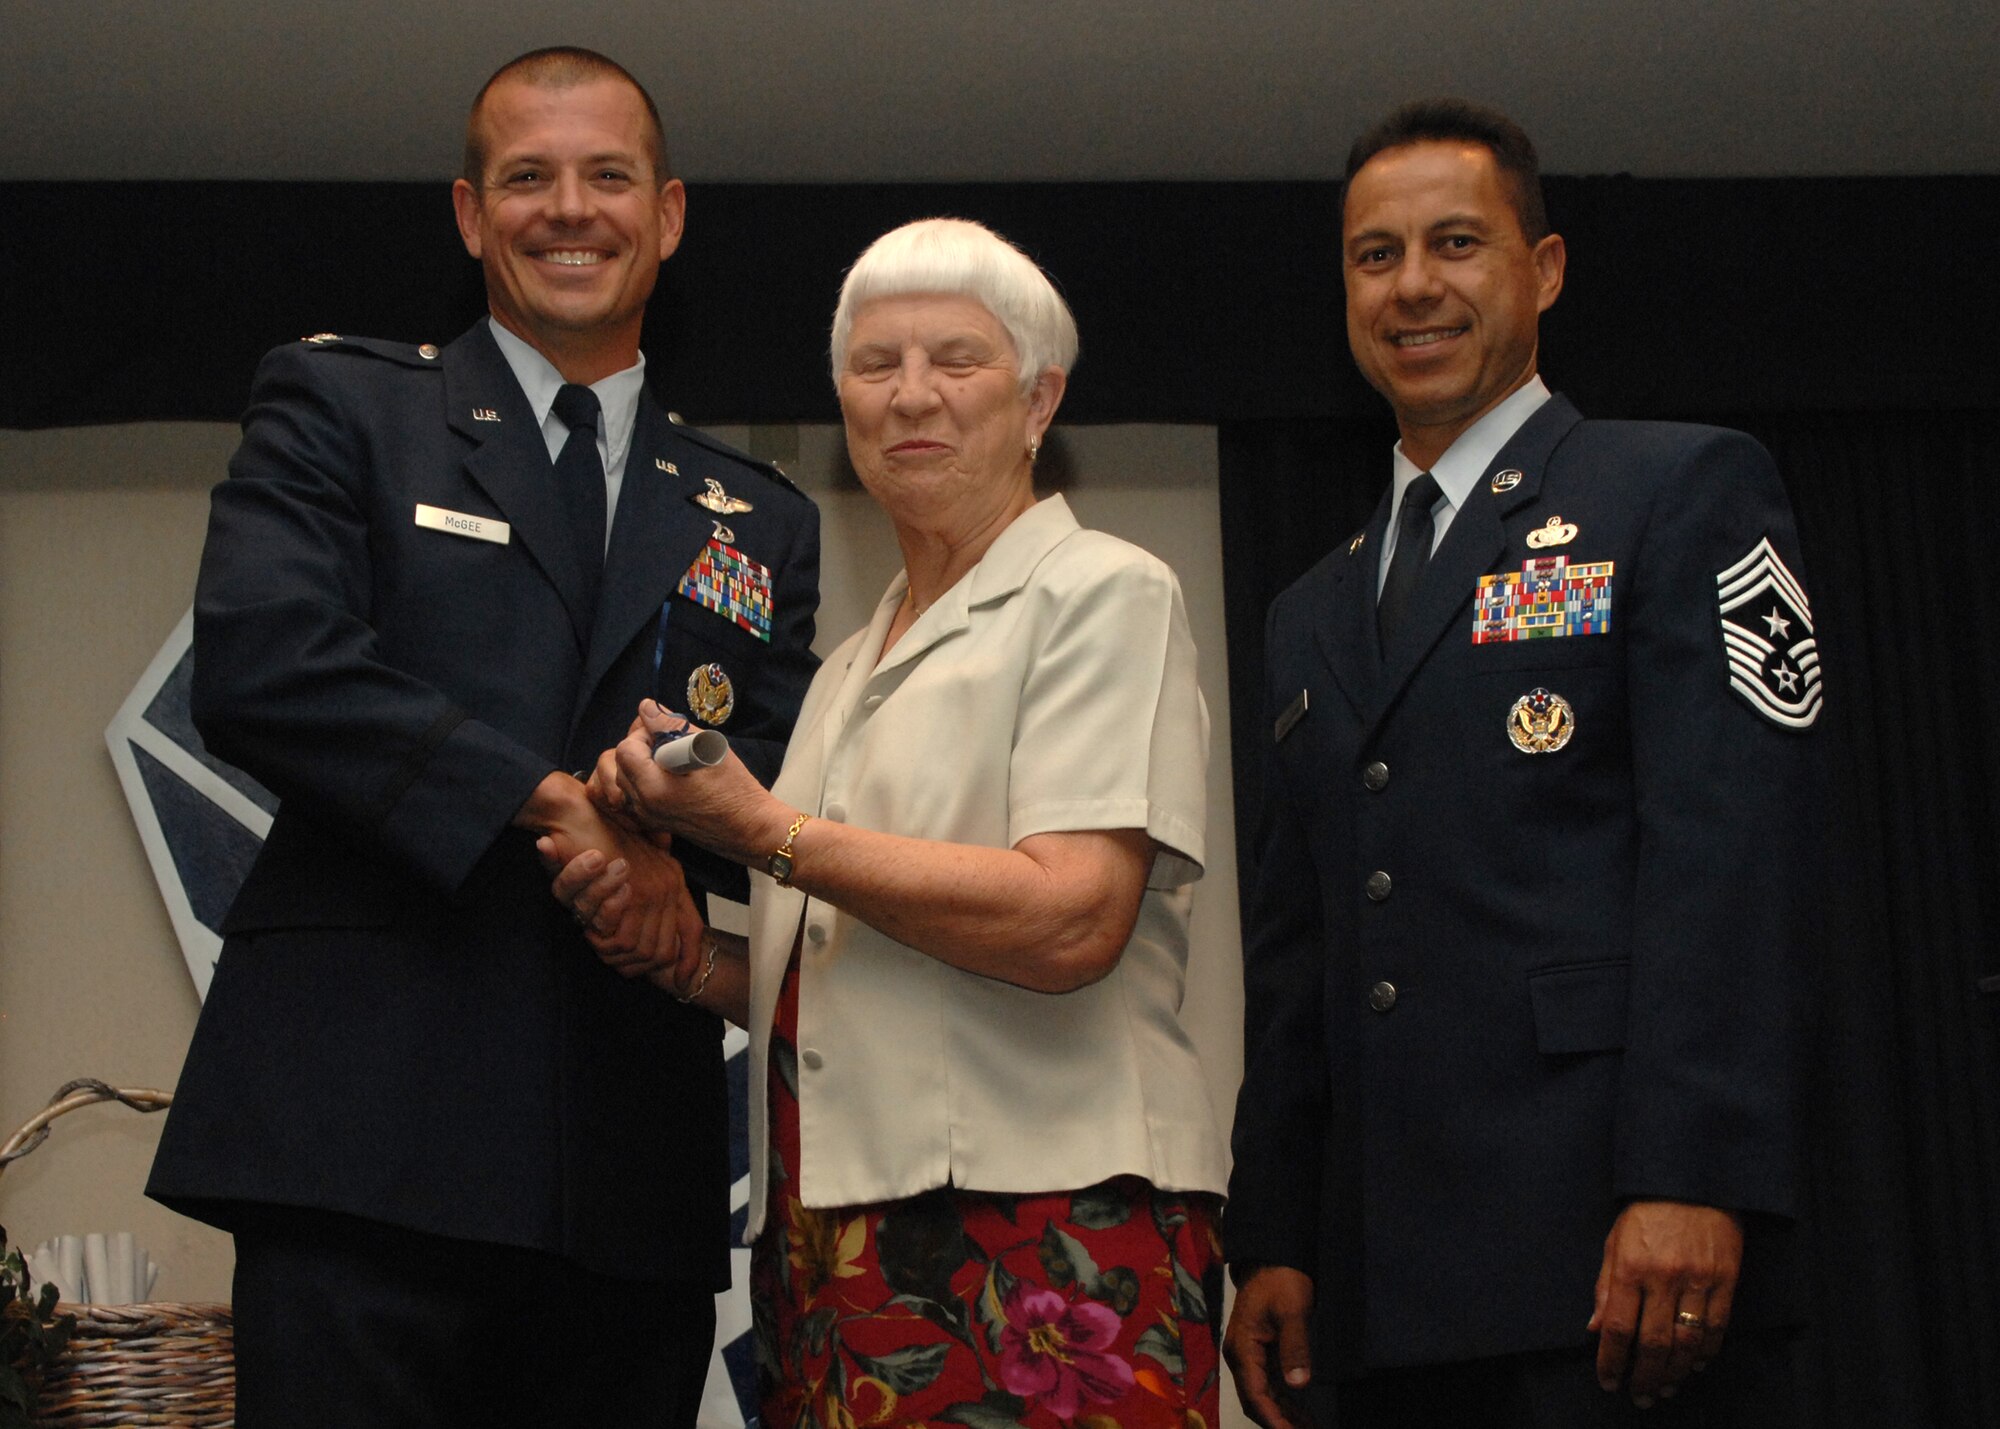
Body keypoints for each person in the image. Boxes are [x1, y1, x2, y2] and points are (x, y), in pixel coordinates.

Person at [145, 47, 820, 1428]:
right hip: (360, 1145)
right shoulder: (346, 406)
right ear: (470, 214)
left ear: (670, 214)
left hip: (626, 1177)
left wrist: (670, 825)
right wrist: (546, 799)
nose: (569, 209)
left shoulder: (759, 518)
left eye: (607, 177)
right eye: (529, 178)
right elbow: (270, 664)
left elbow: (775, 784)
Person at [555, 217, 1229, 1429]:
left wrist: (760, 827)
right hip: (828, 1239)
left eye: (955, 360)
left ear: (1038, 401)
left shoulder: (1102, 591)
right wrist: (679, 952)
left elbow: (1073, 917)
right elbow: (839, 961)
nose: (910, 393)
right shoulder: (846, 665)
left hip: (1041, 1219)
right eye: (874, 366)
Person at [1223, 100, 1819, 1429]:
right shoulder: (1310, 609)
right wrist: (1275, 1228)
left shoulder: (1676, 490)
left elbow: (1732, 857)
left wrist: (1692, 1173)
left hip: (1614, 1266)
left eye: (1455, 243)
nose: (1414, 285)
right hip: (1381, 1289)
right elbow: (1300, 948)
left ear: (1541, 270)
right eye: (1375, 256)